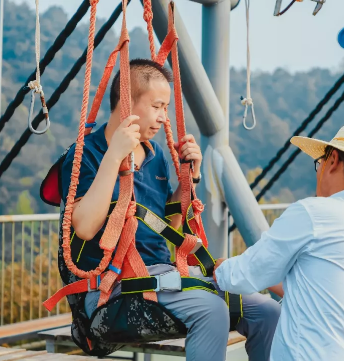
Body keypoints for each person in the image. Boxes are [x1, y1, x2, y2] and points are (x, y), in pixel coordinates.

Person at [61, 58, 281, 361]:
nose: (164, 118)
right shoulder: (85, 154)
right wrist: (114, 157)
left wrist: (186, 181)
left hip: (162, 277)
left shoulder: (155, 156)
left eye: (166, 108)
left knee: (267, 311)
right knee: (212, 309)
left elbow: (171, 227)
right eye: (157, 106)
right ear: (126, 101)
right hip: (110, 292)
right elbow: (84, 228)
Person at [214, 123, 344, 361]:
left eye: (320, 162)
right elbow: (323, 292)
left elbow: (244, 274)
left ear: (333, 160)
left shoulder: (313, 213)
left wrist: (220, 269)